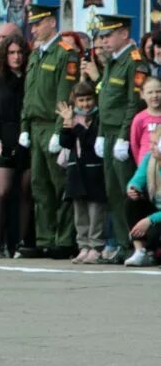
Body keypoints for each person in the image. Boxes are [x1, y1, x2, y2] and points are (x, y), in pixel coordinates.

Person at [19, 4, 79, 258]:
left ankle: (64, 239)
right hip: (35, 125)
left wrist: (59, 130)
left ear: (52, 23)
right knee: (39, 185)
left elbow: (65, 94)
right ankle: (46, 237)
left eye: (38, 23)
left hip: (51, 125)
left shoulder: (65, 53)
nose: (33, 29)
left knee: (60, 183)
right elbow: (28, 94)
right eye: (32, 25)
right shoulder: (35, 54)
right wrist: (24, 126)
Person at [93, 14, 150, 265]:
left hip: (122, 134)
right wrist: (100, 134)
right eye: (103, 36)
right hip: (108, 133)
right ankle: (120, 243)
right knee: (112, 191)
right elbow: (105, 102)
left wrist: (124, 136)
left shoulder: (135, 63)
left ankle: (134, 245)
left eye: (109, 35)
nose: (104, 41)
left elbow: (133, 102)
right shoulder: (113, 62)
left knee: (127, 191)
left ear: (124, 34)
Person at [0, 33, 33, 258]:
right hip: (4, 136)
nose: (16, 57)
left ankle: (21, 242)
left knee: (24, 191)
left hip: (27, 136)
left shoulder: (30, 76)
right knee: (3, 191)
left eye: (20, 53)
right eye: (12, 53)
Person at [57, 82, 106, 264]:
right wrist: (66, 123)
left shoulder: (98, 117)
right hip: (75, 170)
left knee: (95, 211)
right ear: (75, 101)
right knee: (80, 213)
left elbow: (89, 140)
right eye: (81, 100)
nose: (85, 104)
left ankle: (96, 246)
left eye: (88, 99)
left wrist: (75, 125)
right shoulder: (72, 115)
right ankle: (83, 245)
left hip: (93, 170)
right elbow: (65, 142)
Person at [123, 126, 161, 267]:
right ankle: (139, 252)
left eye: (155, 143)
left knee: (155, 230)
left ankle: (153, 251)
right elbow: (137, 179)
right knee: (131, 201)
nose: (151, 147)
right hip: (156, 211)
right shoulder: (149, 159)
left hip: (157, 216)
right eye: (150, 142)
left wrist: (150, 220)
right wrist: (133, 188)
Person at [130, 76, 161, 165]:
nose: (154, 95)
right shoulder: (139, 118)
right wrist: (140, 164)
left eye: (158, 91)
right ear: (142, 94)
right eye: (150, 92)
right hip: (146, 164)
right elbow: (134, 144)